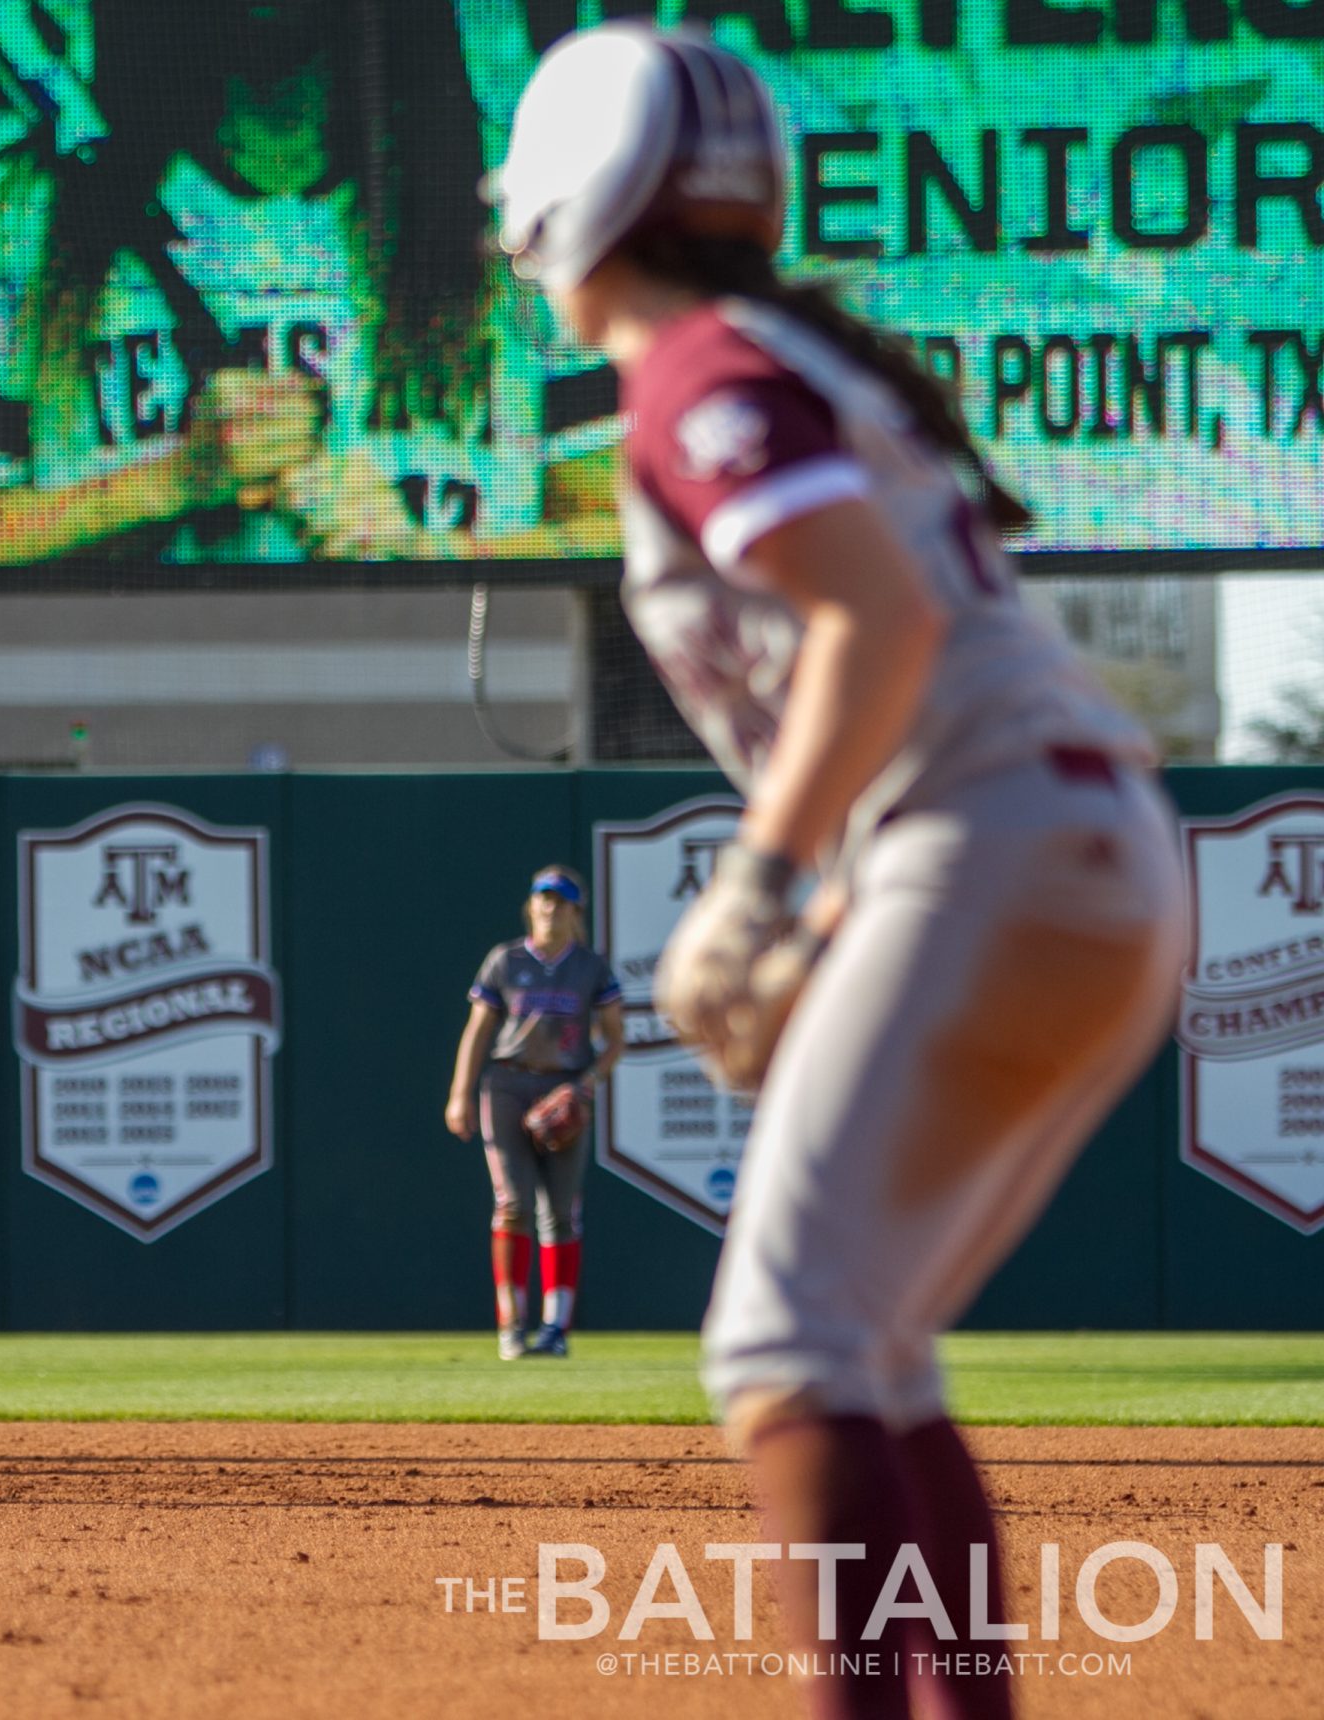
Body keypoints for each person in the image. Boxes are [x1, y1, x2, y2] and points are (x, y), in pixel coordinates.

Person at [491, 26, 1188, 1717]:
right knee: (863, 1346)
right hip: (1091, 853)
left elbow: (874, 617)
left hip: (993, 843)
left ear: (573, 203)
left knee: (786, 1348)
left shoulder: (692, 367)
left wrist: (767, 880)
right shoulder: (783, 351)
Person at [0, 0, 512, 567]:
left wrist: (428, 556)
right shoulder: (24, 213)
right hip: (135, 686)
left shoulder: (519, 198)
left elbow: (605, 519)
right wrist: (171, 484)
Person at [441, 866, 624, 1360]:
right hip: (507, 1084)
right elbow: (478, 1030)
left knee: (561, 1212)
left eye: (560, 900)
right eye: (543, 898)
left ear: (574, 912)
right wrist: (460, 1093)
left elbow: (615, 1040)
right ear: (531, 906)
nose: (550, 907)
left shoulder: (590, 967)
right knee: (514, 1204)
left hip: (564, 1086)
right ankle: (511, 1324)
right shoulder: (506, 960)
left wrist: (583, 1087)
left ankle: (556, 1328)